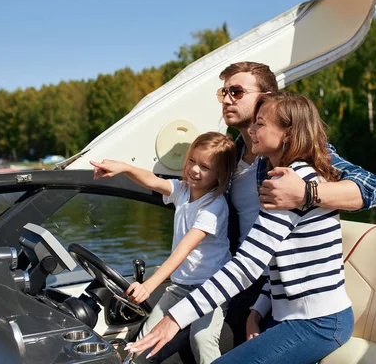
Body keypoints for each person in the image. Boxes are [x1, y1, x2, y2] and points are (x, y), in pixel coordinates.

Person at [126, 91, 354, 363]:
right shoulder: (282, 178)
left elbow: (247, 266)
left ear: (288, 134)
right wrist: (256, 313)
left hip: (319, 322)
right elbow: (279, 263)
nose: (252, 130)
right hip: (288, 316)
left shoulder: (293, 183)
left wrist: (176, 317)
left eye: (260, 123)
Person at [218, 62, 376, 348]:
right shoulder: (228, 155)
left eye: (236, 91)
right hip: (248, 280)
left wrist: (307, 193)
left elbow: (371, 188)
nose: (227, 98)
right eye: (223, 91)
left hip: (278, 282)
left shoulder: (293, 154)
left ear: (265, 97)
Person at [91, 131, 236, 364]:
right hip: (180, 286)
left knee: (201, 339)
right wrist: (124, 168)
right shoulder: (183, 191)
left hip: (211, 287)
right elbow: (152, 180)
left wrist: (149, 286)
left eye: (205, 167)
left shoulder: (214, 206)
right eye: (192, 161)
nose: (195, 170)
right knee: (145, 339)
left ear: (220, 174)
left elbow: (183, 250)